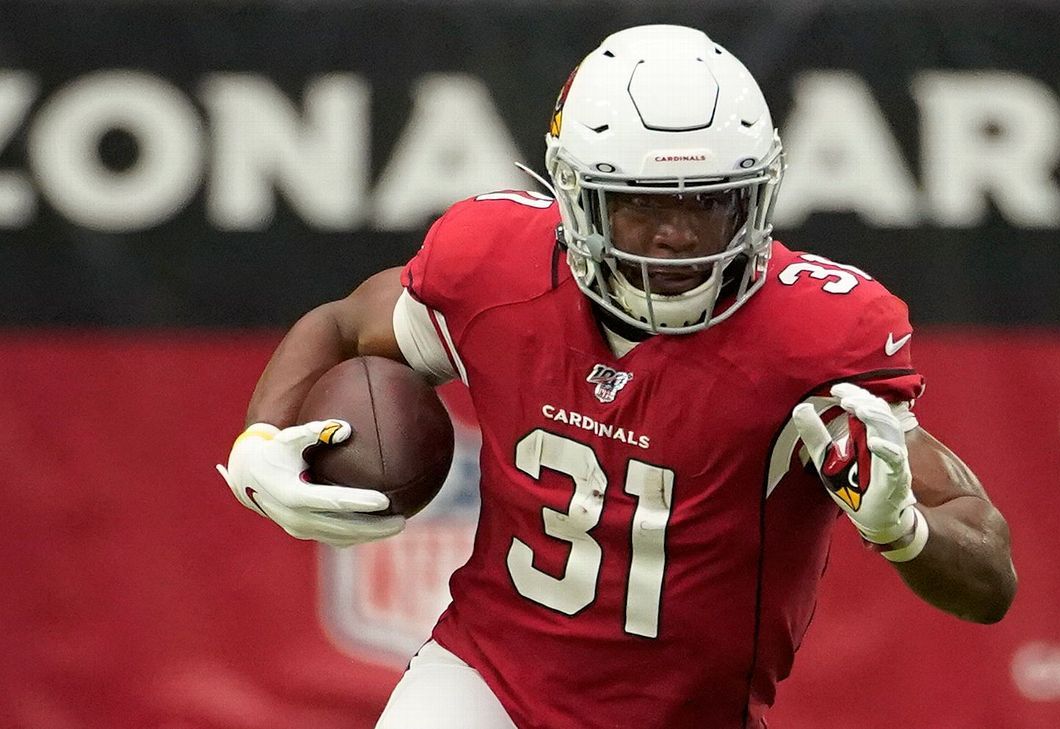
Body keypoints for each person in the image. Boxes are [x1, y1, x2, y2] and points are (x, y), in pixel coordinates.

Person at [218, 24, 1016, 729]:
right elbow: (343, 324)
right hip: (485, 681)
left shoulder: (811, 339)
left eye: (708, 203)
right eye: (640, 205)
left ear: (756, 197)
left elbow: (992, 578)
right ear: (575, 197)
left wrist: (902, 527)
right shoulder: (494, 268)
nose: (675, 236)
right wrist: (261, 439)